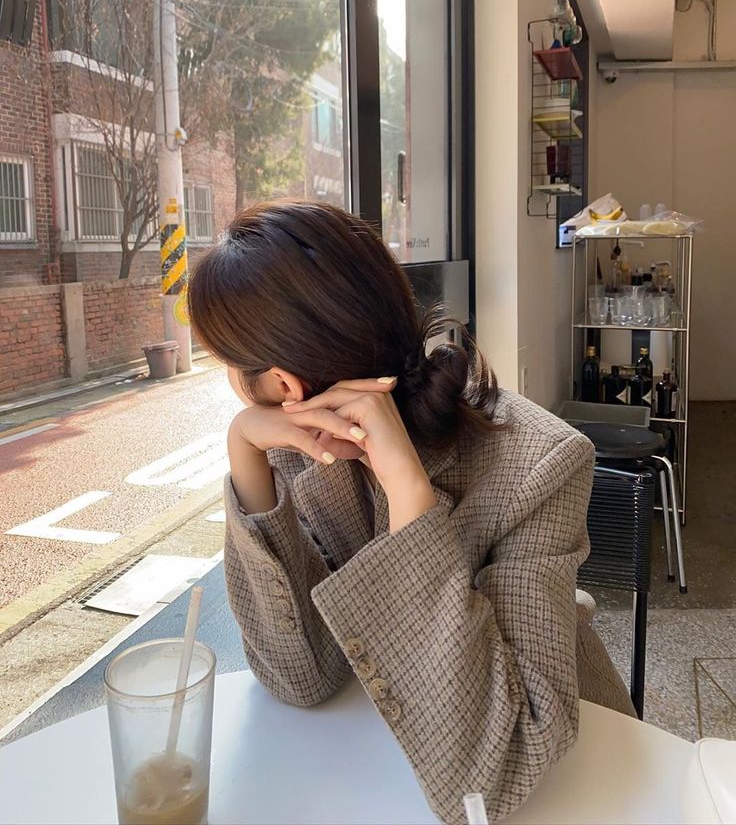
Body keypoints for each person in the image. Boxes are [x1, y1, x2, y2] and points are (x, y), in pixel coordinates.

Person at [188, 199, 634, 824]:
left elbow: (500, 770)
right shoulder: (297, 449)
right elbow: (300, 677)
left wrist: (408, 491)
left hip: (582, 786)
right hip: (375, 775)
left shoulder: (542, 461)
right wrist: (244, 451)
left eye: (232, 369)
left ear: (285, 384)